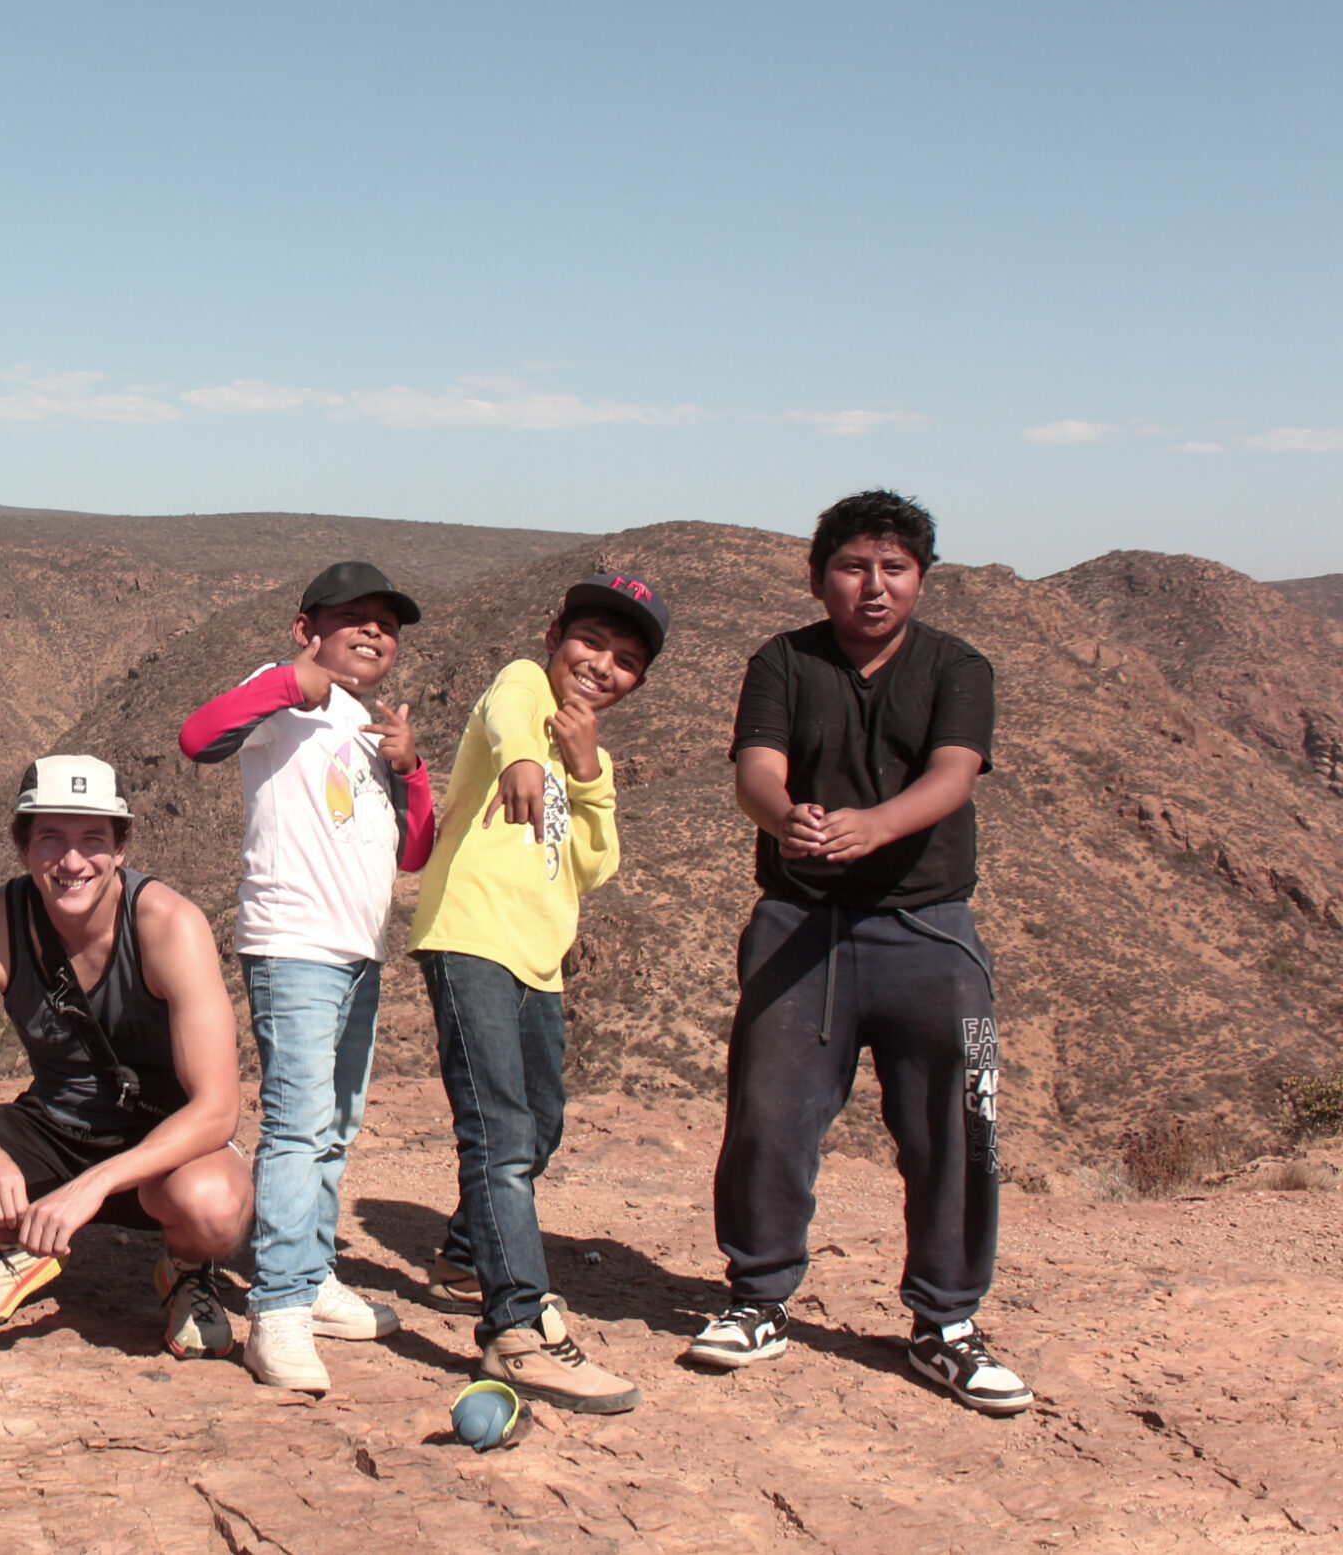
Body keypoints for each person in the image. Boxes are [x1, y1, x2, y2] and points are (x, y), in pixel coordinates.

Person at [683, 490, 1030, 1415]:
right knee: (767, 1116)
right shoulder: (782, 661)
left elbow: (954, 773)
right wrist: (783, 815)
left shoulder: (960, 666)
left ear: (921, 579)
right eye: (852, 566)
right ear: (817, 575)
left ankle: (947, 1323)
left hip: (934, 934)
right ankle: (757, 1297)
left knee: (962, 1121)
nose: (873, 587)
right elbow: (755, 766)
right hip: (800, 924)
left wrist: (872, 827)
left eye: (894, 568)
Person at [0, 756, 252, 1361]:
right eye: (51, 838)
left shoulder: (170, 926)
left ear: (120, 847)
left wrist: (93, 1186)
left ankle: (183, 1268)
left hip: (161, 1142)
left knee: (215, 1210)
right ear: (23, 847)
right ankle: (20, 1241)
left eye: (92, 840)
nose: (72, 862)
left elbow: (216, 1108)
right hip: (53, 1128)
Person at [406, 573, 668, 1416]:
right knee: (500, 1133)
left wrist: (585, 771)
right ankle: (517, 1326)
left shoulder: (591, 754)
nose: (602, 665)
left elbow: (594, 863)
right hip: (471, 936)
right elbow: (505, 711)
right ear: (555, 633)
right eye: (591, 642)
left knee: (538, 1122)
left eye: (626, 660)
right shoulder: (521, 684)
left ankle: (460, 1252)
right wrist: (524, 753)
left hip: (537, 959)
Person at [177, 560, 435, 1393]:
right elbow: (197, 738)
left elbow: (415, 851)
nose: (372, 632)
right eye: (352, 617)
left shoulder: (368, 722)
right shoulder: (278, 692)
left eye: (386, 624)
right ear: (306, 628)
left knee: (335, 1124)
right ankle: (279, 1309)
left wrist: (413, 765)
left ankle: (311, 1273)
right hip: (293, 940)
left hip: (358, 948)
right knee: (296, 1122)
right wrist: (292, 684)